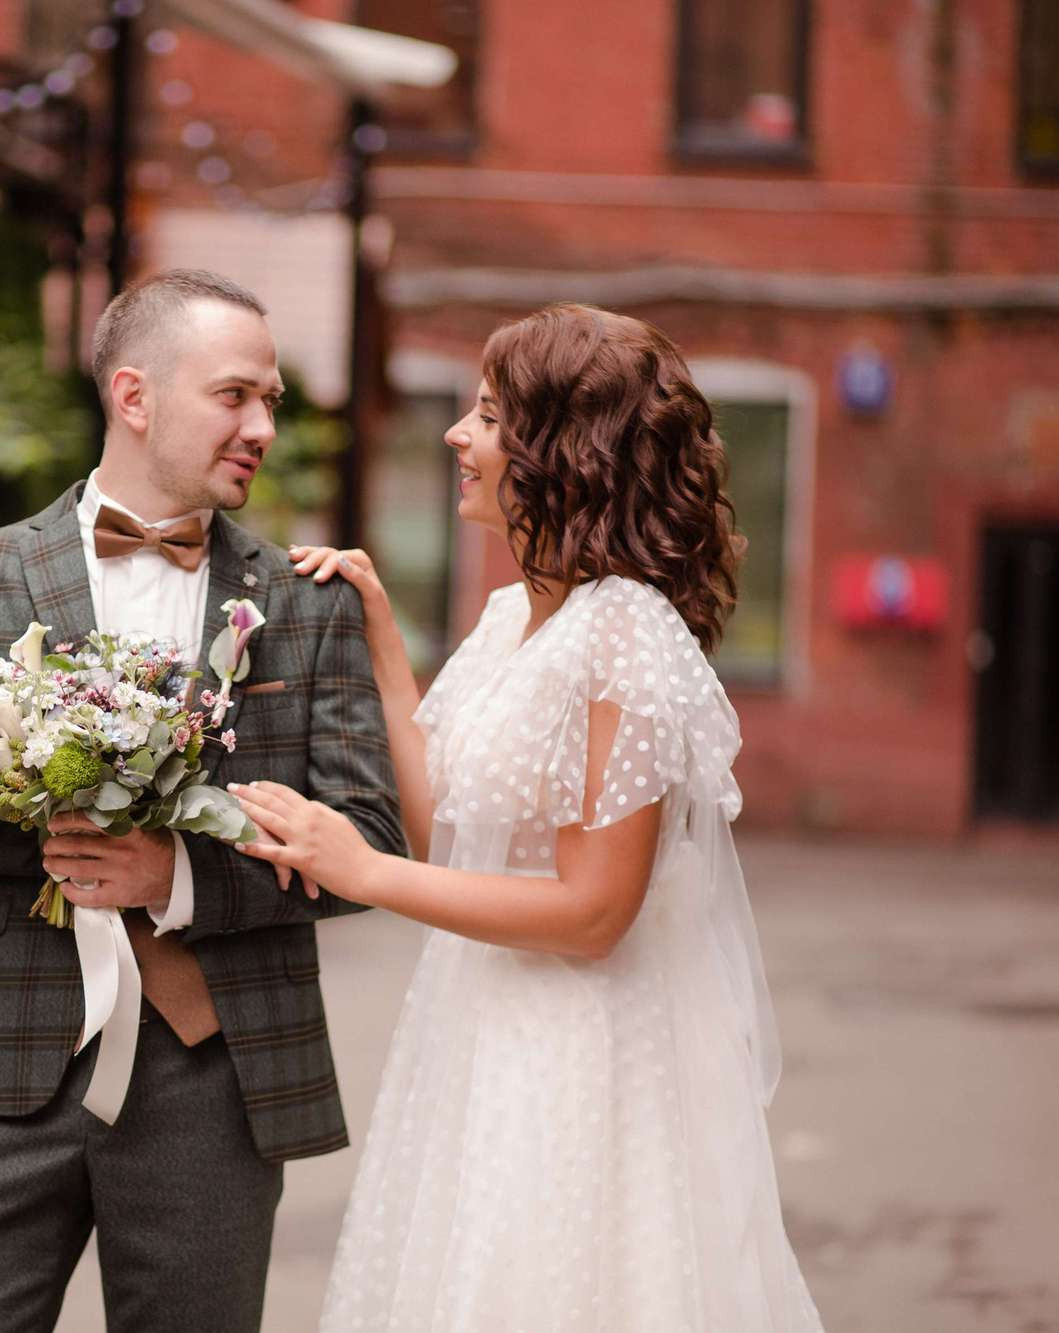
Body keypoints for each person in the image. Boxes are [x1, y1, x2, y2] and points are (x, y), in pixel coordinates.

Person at [228, 304, 826, 1330]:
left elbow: (596, 913)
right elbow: (444, 836)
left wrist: (353, 869)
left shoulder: (625, 632)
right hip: (477, 1031)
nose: (458, 436)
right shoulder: (512, 613)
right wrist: (382, 648)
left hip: (577, 1057)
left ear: (564, 453)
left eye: (490, 418)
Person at [0, 269, 407, 1332]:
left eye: (270, 400)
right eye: (233, 396)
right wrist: (70, 806)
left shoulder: (306, 604)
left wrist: (178, 876)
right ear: (134, 395)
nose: (261, 424)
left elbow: (367, 839)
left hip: (211, 1077)